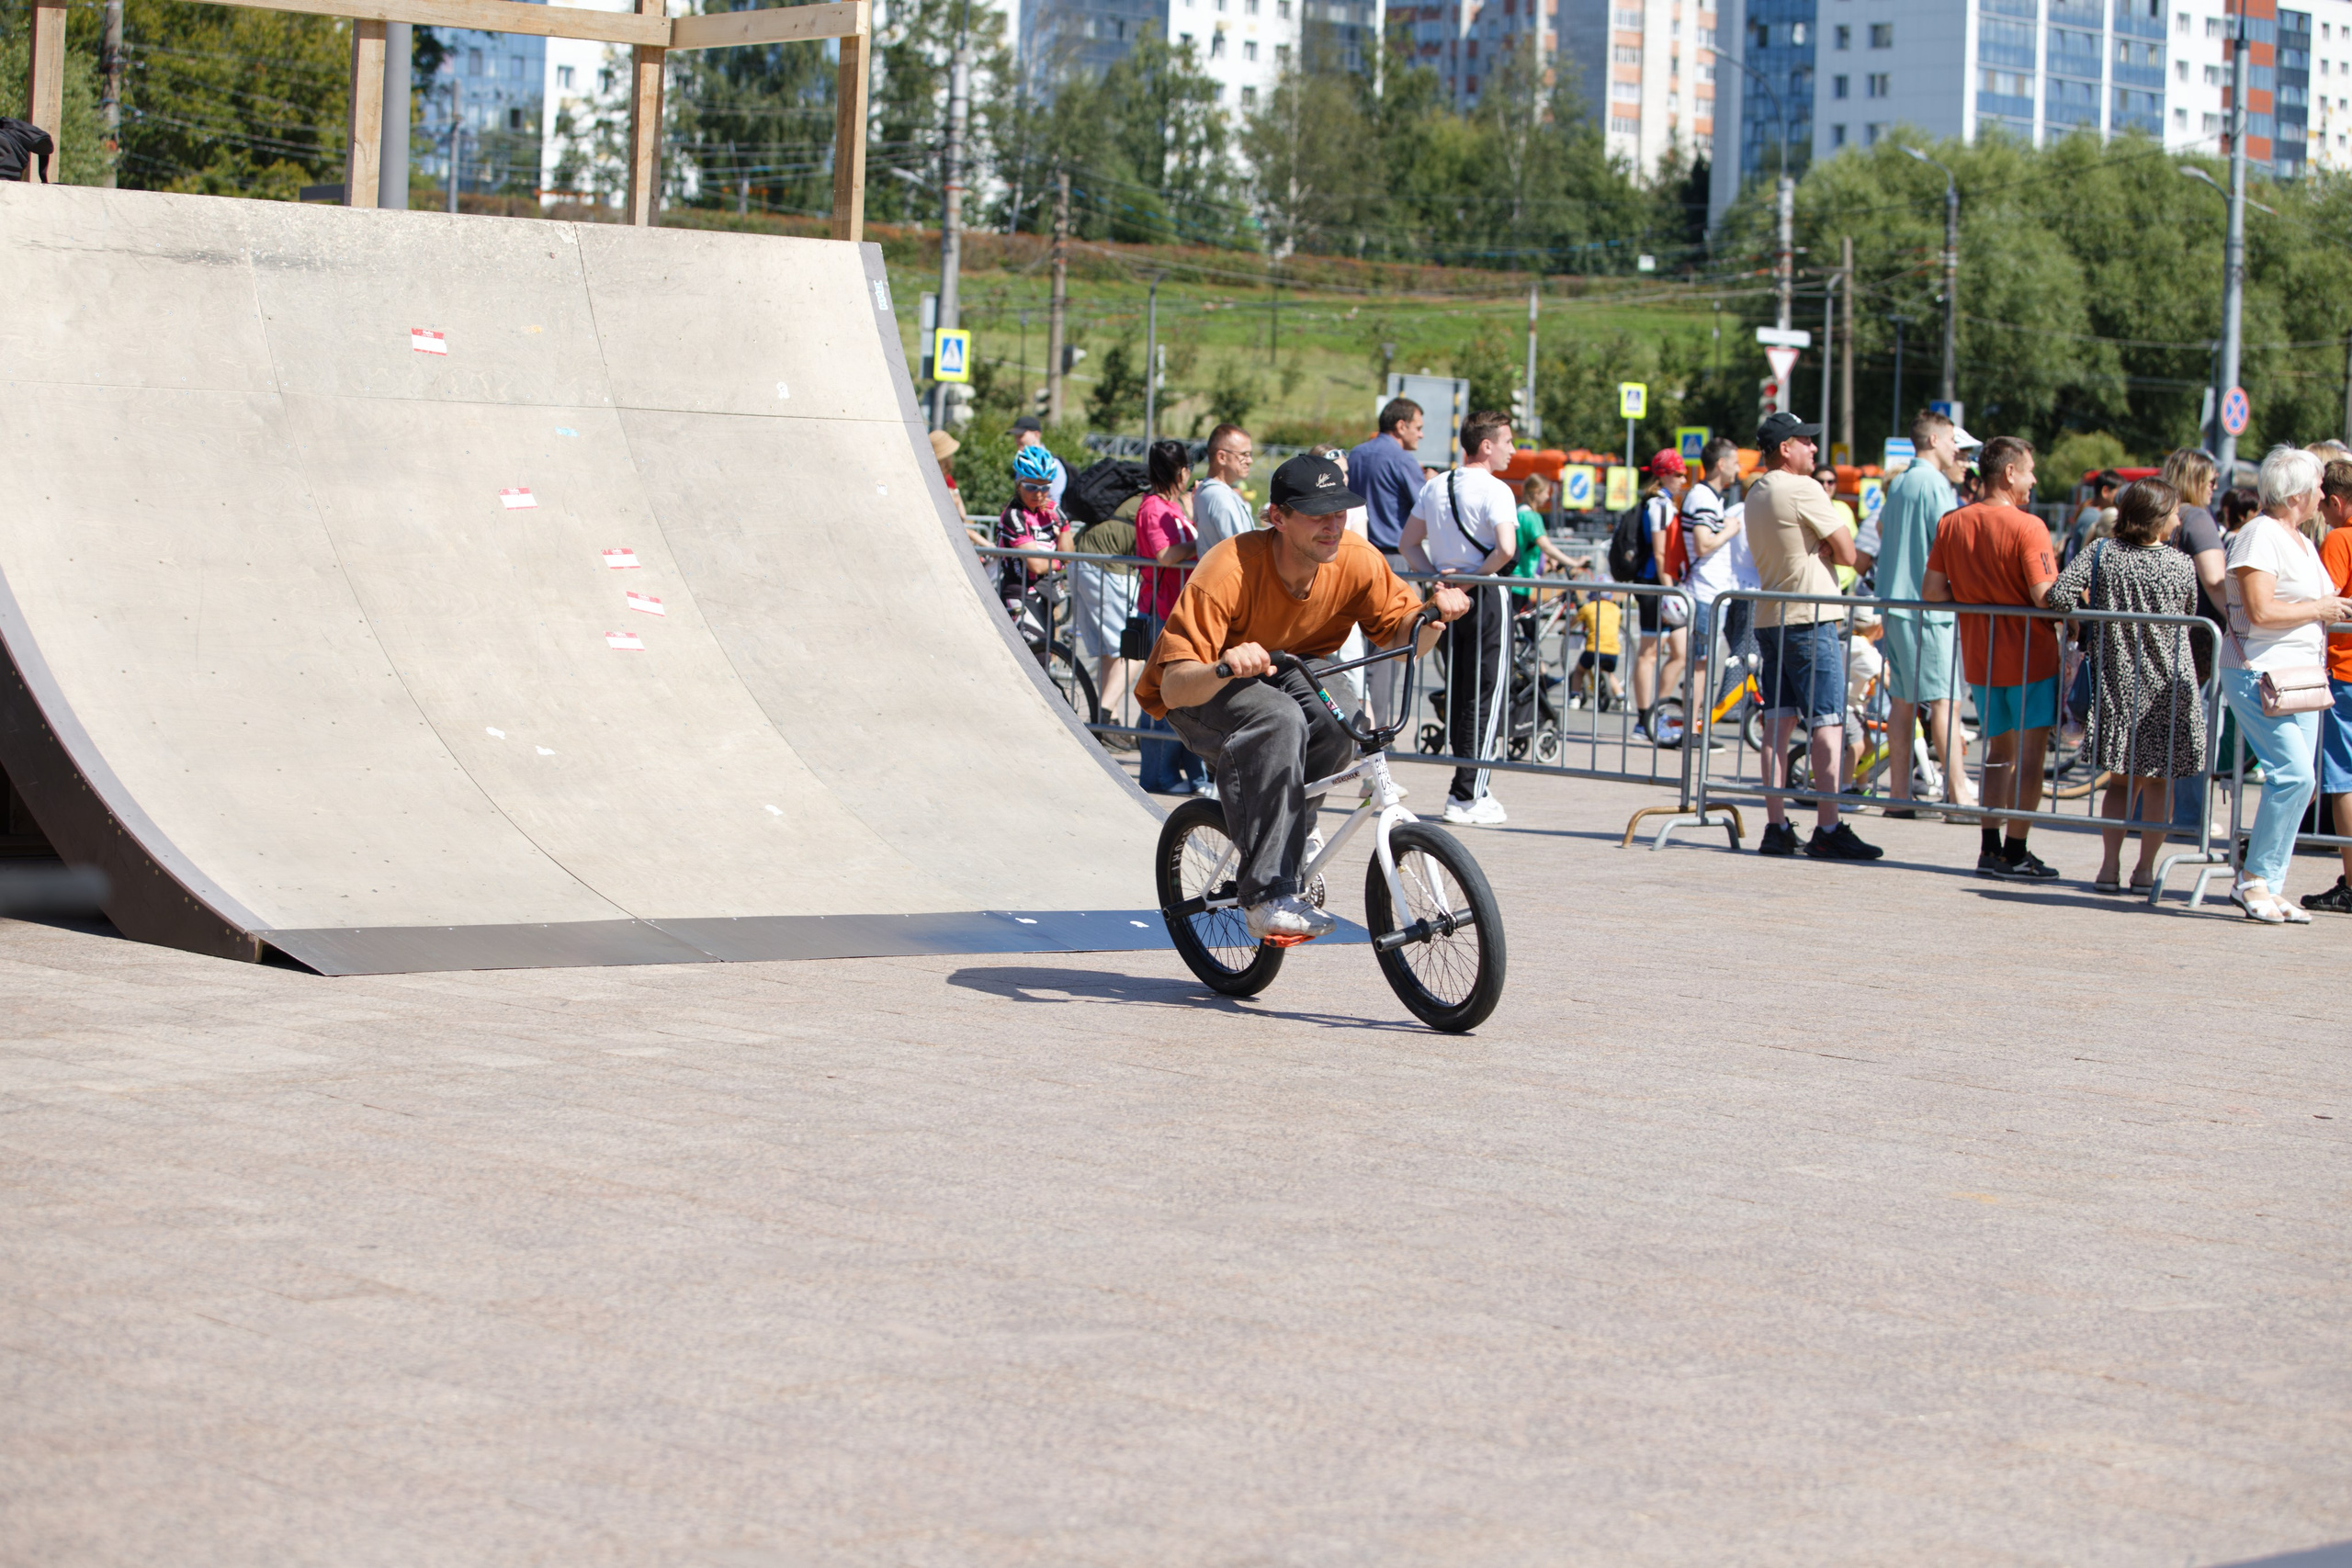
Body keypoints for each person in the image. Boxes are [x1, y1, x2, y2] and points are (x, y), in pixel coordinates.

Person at [1138, 455, 1468, 941]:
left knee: (1343, 721)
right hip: (1203, 686)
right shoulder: (1228, 570)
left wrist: (1434, 618)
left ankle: (1297, 831)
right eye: (1317, 515)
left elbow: (1404, 645)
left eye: (1339, 512)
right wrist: (1226, 664)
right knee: (1279, 720)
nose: (1332, 526)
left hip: (1294, 664)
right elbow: (1174, 685)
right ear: (1278, 517)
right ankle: (1266, 896)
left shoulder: (1356, 559)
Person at [2043, 478, 2212, 894]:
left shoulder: (2102, 552)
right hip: (2169, 687)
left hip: (2119, 683)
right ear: (2157, 520)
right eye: (2173, 511)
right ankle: (2145, 871)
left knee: (2120, 781)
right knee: (2159, 783)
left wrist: (2094, 615)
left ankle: (2108, 868)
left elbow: (2058, 596)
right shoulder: (2179, 564)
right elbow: (2189, 611)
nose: (2178, 518)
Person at [2218, 446, 2352, 923]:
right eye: (2317, 485)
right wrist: (2320, 610)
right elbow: (2260, 611)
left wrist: (2328, 609)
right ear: (2297, 492)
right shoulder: (2259, 536)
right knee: (2293, 775)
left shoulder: (2295, 537)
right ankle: (2253, 879)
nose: (2324, 493)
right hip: (2260, 671)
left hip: (2298, 676)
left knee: (2302, 780)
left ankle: (2268, 883)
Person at [1744, 411, 1881, 861]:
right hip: (1810, 615)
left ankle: (1776, 825)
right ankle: (1828, 825)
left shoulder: (1756, 491)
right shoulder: (1803, 488)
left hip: (1770, 616)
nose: (1814, 448)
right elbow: (1846, 552)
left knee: (1777, 726)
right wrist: (1825, 545)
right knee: (1827, 721)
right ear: (1786, 448)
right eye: (1806, 441)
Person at [1925, 434, 2063, 881]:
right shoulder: (2029, 526)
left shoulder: (1952, 522)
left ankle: (1989, 846)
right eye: (2030, 470)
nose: (2034, 479)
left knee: (1997, 752)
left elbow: (1932, 592)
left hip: (1981, 658)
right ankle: (2017, 850)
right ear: (2009, 473)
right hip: (2030, 657)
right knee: (2029, 758)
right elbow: (2045, 596)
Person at [1401, 412, 1521, 827]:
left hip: (1447, 600)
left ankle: (1469, 786)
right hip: (1484, 596)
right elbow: (1506, 549)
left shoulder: (1436, 484)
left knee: (1458, 691)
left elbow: (1408, 542)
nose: (1512, 449)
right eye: (1507, 441)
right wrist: (1471, 581)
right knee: (1484, 693)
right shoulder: (1497, 489)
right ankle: (1469, 793)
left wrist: (1437, 580)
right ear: (1486, 445)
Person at [1872, 412, 1981, 819]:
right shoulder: (1934, 483)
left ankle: (1899, 794)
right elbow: (1950, 541)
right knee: (1945, 702)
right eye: (1953, 440)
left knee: (1902, 703)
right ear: (1934, 439)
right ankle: (1956, 795)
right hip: (1928, 608)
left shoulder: (1900, 481)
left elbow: (1882, 530)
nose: (1957, 448)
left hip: (1895, 602)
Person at [1133, 438, 1210, 795]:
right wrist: (1202, 541)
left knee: (1182, 693)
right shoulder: (1152, 508)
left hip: (1176, 608)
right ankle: (1158, 776)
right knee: (1164, 695)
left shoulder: (1171, 506)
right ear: (1181, 471)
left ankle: (1189, 774)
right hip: (1160, 609)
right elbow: (1164, 555)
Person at [1679, 436, 1752, 748]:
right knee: (1700, 664)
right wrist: (1730, 530)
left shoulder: (1708, 496)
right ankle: (1691, 731)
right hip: (1705, 592)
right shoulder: (1704, 497)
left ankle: (1693, 727)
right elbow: (1703, 543)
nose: (1738, 469)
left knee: (1703, 664)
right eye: (1735, 462)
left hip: (1711, 591)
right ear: (1721, 464)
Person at [2308, 459, 2352, 913]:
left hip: (2345, 671)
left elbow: (2328, 599)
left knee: (2343, 780)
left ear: (2336, 501)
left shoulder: (2341, 537)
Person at [1628, 451, 1690, 740]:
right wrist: (1670, 588)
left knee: (1680, 652)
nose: (1683, 479)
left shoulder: (1665, 503)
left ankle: (1658, 712)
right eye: (1678, 474)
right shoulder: (1659, 505)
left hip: (1664, 585)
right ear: (1663, 474)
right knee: (1649, 653)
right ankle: (1644, 720)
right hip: (1655, 585)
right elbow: (1660, 551)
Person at [1346, 398, 1427, 558]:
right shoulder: (1403, 459)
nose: (1421, 435)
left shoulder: (1355, 453)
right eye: (1418, 428)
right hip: (1394, 555)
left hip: (1358, 552)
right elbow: (1424, 506)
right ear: (1401, 426)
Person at [993, 444, 1063, 615]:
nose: (1038, 494)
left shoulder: (1049, 512)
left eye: (1045, 488)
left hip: (1046, 589)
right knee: (1030, 642)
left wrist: (1064, 522)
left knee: (1049, 641)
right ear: (1018, 484)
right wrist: (1059, 562)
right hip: (1020, 593)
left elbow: (1068, 550)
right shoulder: (1013, 514)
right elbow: (1037, 565)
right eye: (1031, 487)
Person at [1510, 474, 1580, 597]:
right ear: (1536, 493)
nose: (1548, 497)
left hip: (1511, 577)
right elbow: (1545, 546)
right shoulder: (1531, 517)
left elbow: (1527, 544)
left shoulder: (1518, 511)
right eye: (1546, 493)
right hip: (1521, 580)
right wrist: (1573, 562)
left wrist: (1549, 558)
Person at [1193, 424, 1257, 552]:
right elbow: (1244, 551)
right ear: (1222, 457)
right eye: (1244, 454)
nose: (1250, 460)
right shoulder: (1219, 496)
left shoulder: (1207, 490)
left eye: (1250, 454)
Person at [1571, 589, 1623, 709]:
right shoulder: (1615, 609)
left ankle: (1574, 698)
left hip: (1593, 649)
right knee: (1607, 673)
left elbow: (1573, 621)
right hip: (1613, 650)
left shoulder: (1589, 607)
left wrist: (1564, 631)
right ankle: (1621, 698)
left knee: (1579, 671)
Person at [1814, 464, 1861, 592]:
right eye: (1820, 481)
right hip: (1816, 581)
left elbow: (1853, 541)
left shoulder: (1843, 508)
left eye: (1830, 482)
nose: (1825, 486)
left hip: (1842, 580)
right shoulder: (1808, 507)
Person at [1008, 415, 1067, 508]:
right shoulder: (1022, 463)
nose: (1017, 440)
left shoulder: (1053, 464)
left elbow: (1055, 500)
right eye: (1016, 436)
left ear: (1036, 435)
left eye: (1021, 435)